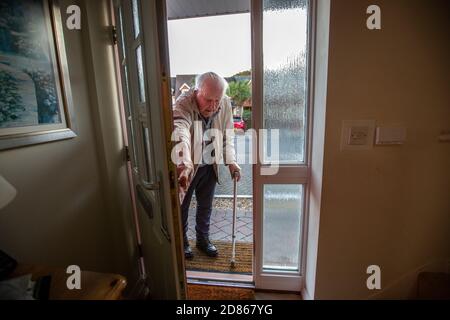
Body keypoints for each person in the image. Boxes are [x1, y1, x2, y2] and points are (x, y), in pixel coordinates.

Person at [172, 72, 241, 259]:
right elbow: (180, 132)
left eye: (217, 100)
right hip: (190, 166)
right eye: (208, 100)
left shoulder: (224, 103)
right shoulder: (183, 104)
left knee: (205, 206)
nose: (213, 105)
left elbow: (228, 136)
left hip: (210, 164)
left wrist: (231, 162)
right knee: (183, 206)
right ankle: (183, 242)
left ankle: (203, 240)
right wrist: (184, 164)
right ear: (196, 92)